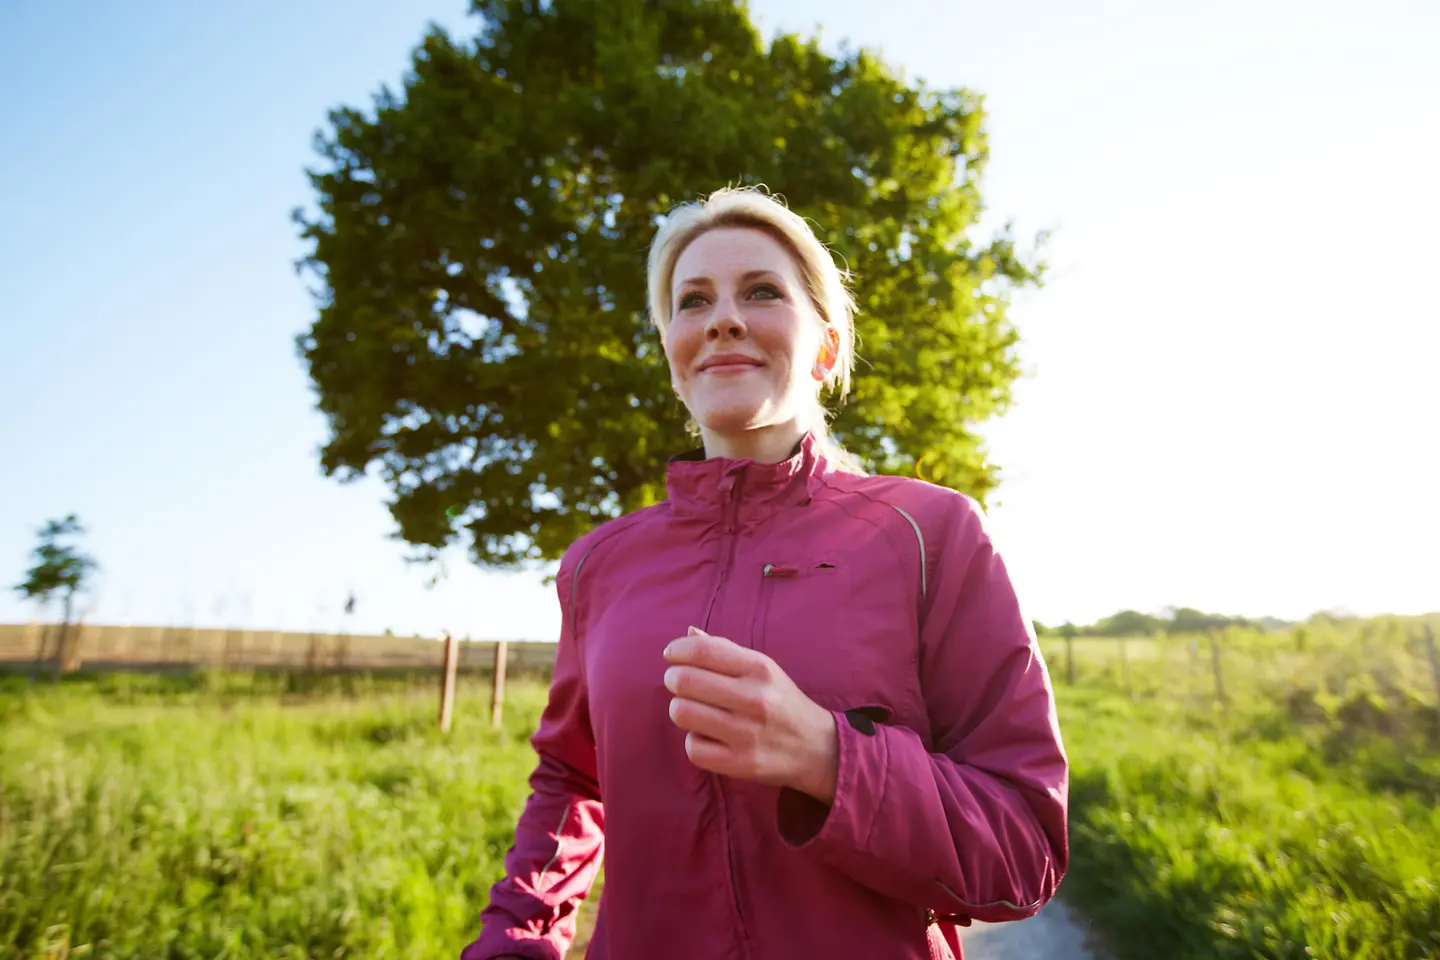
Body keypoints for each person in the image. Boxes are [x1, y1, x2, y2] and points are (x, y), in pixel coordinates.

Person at [461, 187, 1069, 960]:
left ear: (824, 346)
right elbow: (571, 784)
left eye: (761, 291)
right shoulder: (597, 566)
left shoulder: (931, 534)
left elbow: (1024, 852)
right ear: (674, 353)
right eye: (693, 301)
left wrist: (825, 756)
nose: (723, 317)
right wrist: (516, 941)